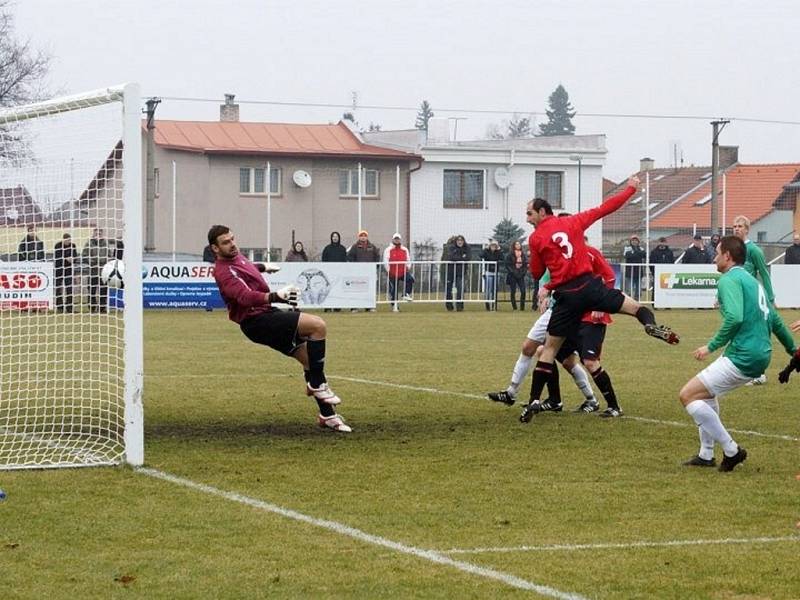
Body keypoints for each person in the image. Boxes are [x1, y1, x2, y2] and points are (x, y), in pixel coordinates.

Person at [519, 176, 679, 424]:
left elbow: (537, 273)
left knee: (548, 349)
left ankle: (534, 401)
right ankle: (649, 323)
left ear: (542, 212)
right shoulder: (574, 222)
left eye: (530, 214)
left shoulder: (536, 238)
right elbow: (607, 207)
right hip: (590, 287)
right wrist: (631, 189)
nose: (527, 219)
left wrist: (545, 274)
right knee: (635, 307)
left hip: (567, 296)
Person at [208, 224, 351, 432]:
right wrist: (277, 296)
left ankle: (327, 416)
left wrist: (263, 267)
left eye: (232, 239)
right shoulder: (223, 271)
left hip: (264, 316)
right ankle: (317, 385)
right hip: (257, 321)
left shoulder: (236, 257)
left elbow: (247, 268)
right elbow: (245, 297)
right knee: (318, 326)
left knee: (310, 361)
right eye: (225, 242)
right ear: (215, 248)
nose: (232, 244)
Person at [679, 235, 796, 471]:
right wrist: (794, 350)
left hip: (743, 355)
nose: (714, 257)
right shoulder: (754, 283)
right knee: (706, 395)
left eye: (717, 252)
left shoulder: (728, 280)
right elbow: (776, 321)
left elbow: (734, 316)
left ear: (727, 256)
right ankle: (706, 454)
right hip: (759, 354)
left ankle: (732, 451)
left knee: (687, 395)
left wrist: (710, 346)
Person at [733, 215, 775, 385]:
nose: (736, 229)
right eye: (734, 226)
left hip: (751, 298)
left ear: (747, 229)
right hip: (737, 296)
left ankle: (759, 374)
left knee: (753, 333)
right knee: (738, 331)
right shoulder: (733, 249)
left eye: (740, 226)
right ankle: (744, 370)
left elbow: (764, 274)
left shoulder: (754, 250)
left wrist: (770, 299)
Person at [82, 228, 114, 313]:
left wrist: (107, 261)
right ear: (94, 234)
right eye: (97, 233)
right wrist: (92, 262)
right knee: (91, 290)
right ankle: (92, 307)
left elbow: (110, 256)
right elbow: (84, 256)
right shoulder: (89, 243)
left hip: (103, 271)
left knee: (103, 290)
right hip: (93, 271)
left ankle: (102, 308)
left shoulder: (106, 244)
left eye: (100, 233)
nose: (98, 235)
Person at [382, 232, 414, 312]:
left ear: (400, 240)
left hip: (403, 271)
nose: (397, 240)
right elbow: (385, 261)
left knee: (410, 279)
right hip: (392, 272)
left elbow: (408, 259)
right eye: (395, 239)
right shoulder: (388, 249)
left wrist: (408, 267)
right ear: (393, 239)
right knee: (394, 290)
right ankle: (394, 306)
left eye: (398, 239)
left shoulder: (404, 249)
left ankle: (406, 293)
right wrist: (389, 271)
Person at [321, 232, 347, 312]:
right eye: (333, 236)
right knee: (328, 290)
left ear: (339, 238)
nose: (335, 238)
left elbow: (344, 260)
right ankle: (327, 307)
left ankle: (337, 306)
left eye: (336, 236)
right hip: (328, 273)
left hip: (339, 273)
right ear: (331, 238)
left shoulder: (342, 249)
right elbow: (323, 260)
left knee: (337, 290)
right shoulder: (327, 248)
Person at [445, 235, 470, 311]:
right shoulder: (452, 248)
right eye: (458, 240)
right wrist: (462, 257)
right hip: (451, 271)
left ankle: (459, 306)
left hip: (461, 272)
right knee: (449, 289)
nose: (460, 242)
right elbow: (451, 257)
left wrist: (460, 258)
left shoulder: (467, 248)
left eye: (461, 240)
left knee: (460, 289)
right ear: (456, 241)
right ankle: (449, 305)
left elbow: (468, 257)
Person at [53, 233, 77, 313]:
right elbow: (57, 257)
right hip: (59, 270)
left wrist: (72, 259)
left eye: (69, 240)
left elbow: (75, 256)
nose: (68, 241)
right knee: (58, 289)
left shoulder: (73, 246)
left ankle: (69, 308)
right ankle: (60, 307)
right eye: (66, 240)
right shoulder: (58, 246)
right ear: (63, 239)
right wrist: (66, 259)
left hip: (68, 270)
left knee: (69, 289)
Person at [480, 239, 503, 311]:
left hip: (496, 272)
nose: (493, 247)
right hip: (488, 272)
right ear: (490, 246)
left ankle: (494, 305)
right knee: (488, 289)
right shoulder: (486, 252)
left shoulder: (498, 252)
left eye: (495, 245)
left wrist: (499, 250)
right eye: (492, 245)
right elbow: (481, 255)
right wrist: (485, 249)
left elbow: (502, 258)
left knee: (494, 290)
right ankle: (487, 304)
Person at [505, 240, 527, 311]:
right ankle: (514, 307)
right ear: (514, 246)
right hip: (512, 275)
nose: (518, 245)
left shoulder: (523, 255)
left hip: (521, 275)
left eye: (519, 244)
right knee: (513, 291)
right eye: (516, 244)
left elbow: (525, 265)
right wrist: (513, 272)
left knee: (523, 291)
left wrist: (523, 273)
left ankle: (522, 307)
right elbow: (507, 265)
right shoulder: (510, 255)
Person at [623, 235, 646, 300]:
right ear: (630, 241)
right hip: (629, 272)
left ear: (638, 241)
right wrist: (637, 254)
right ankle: (629, 302)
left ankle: (637, 301)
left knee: (638, 289)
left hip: (639, 272)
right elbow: (627, 255)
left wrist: (634, 253)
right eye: (633, 240)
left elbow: (644, 255)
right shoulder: (627, 248)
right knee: (629, 289)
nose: (634, 241)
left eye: (636, 240)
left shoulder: (642, 248)